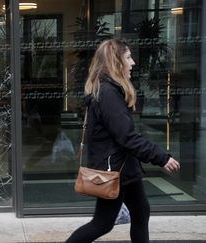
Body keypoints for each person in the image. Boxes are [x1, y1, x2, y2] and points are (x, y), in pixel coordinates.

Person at [65, 39, 180, 243]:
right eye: (128, 57)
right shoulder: (108, 94)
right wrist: (161, 158)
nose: (133, 62)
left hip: (125, 167)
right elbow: (126, 137)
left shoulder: (109, 90)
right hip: (116, 169)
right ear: (116, 62)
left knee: (140, 212)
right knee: (102, 223)